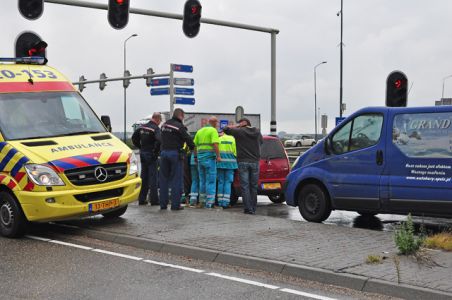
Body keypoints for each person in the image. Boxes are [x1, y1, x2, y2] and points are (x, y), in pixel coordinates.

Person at [223, 118, 262, 215]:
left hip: (243, 162)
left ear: (242, 124)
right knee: (253, 186)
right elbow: (261, 142)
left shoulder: (239, 131)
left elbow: (225, 129)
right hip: (255, 162)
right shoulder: (257, 131)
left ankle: (248, 209)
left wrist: (236, 126)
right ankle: (253, 208)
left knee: (245, 186)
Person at [159, 108, 195, 210]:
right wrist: (192, 147)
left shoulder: (164, 125)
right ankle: (175, 205)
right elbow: (188, 140)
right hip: (174, 154)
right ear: (181, 116)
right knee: (176, 180)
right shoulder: (179, 126)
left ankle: (163, 205)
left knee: (163, 180)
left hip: (163, 153)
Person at [131, 112, 162, 206]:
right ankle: (154, 200)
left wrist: (140, 147)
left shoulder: (142, 127)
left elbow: (134, 138)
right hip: (151, 155)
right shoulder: (155, 128)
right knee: (153, 178)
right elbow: (159, 140)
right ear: (157, 119)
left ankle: (142, 199)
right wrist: (155, 152)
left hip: (143, 154)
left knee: (143, 177)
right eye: (160, 121)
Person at [193, 117, 221, 208]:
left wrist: (196, 157)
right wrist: (218, 156)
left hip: (200, 159)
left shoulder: (199, 131)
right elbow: (215, 144)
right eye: (217, 123)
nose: (217, 125)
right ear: (214, 122)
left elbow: (195, 145)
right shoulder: (213, 131)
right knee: (211, 181)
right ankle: (210, 203)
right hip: (209, 159)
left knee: (202, 180)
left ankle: (202, 201)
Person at [217, 130, 238, 208]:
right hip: (231, 165)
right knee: (228, 183)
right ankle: (225, 202)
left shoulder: (219, 139)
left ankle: (219, 202)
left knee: (220, 182)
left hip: (220, 164)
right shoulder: (233, 139)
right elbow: (236, 152)